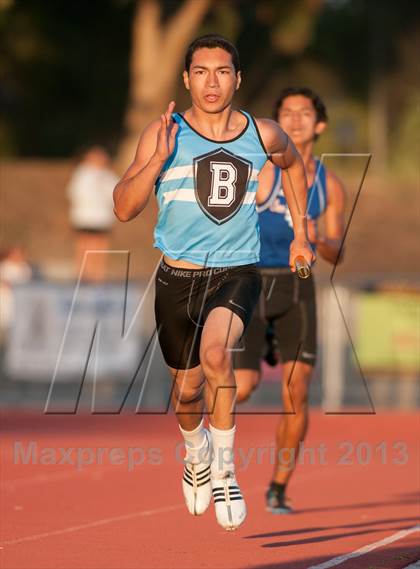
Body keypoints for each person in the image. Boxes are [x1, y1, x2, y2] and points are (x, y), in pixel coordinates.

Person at [113, 36, 313, 531]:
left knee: (218, 354)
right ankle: (196, 451)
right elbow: (122, 207)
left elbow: (291, 164)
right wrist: (156, 161)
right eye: (200, 71)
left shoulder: (261, 133)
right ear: (186, 79)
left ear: (237, 79)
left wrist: (300, 236)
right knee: (186, 394)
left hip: (236, 272)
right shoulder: (165, 134)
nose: (211, 82)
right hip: (176, 278)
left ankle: (224, 469)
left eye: (222, 71)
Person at [234, 87, 346, 514]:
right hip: (248, 280)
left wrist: (319, 236)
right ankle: (210, 449)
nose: (295, 120)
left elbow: (338, 250)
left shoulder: (329, 183)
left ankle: (278, 485)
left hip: (297, 286)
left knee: (295, 391)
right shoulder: (256, 166)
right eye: (286, 112)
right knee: (242, 388)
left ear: (319, 125)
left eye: (304, 113)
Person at [67, 146, 119, 282]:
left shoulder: (108, 175)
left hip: (103, 217)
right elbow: (75, 193)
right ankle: (82, 273)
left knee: (100, 245)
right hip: (85, 216)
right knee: (84, 244)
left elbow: (115, 193)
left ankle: (98, 274)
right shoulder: (82, 173)